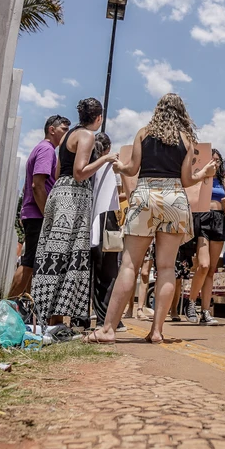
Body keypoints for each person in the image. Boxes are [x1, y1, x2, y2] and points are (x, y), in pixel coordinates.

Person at [87, 93, 216, 344]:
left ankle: (107, 329)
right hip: (174, 198)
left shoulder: (143, 133)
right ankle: (157, 332)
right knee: (166, 267)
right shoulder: (186, 139)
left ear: (158, 110)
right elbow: (188, 180)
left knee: (129, 265)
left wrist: (120, 168)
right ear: (181, 113)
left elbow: (132, 169)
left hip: (145, 195)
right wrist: (205, 173)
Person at [32, 99, 118, 326]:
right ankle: (56, 321)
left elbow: (60, 171)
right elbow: (80, 173)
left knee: (54, 256)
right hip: (74, 198)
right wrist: (105, 159)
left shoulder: (68, 135)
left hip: (59, 193)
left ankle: (49, 319)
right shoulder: (88, 136)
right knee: (70, 257)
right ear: (98, 118)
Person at [9, 114, 69, 298]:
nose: (66, 135)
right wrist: (47, 215)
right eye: (63, 130)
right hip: (38, 215)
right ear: (52, 129)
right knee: (28, 264)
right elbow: (38, 185)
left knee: (33, 264)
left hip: (34, 213)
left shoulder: (43, 149)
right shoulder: (47, 150)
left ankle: (22, 309)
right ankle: (5, 310)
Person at [187, 148, 225, 325]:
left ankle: (205, 311)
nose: (215, 163)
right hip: (203, 218)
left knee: (211, 270)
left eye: (218, 160)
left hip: (219, 219)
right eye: (212, 160)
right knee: (203, 265)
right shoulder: (201, 178)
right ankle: (191, 303)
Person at [89, 133, 122, 329]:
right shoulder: (111, 166)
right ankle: (105, 317)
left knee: (88, 270)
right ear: (108, 149)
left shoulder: (87, 165)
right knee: (109, 272)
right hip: (107, 218)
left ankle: (81, 317)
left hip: (88, 217)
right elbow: (121, 192)